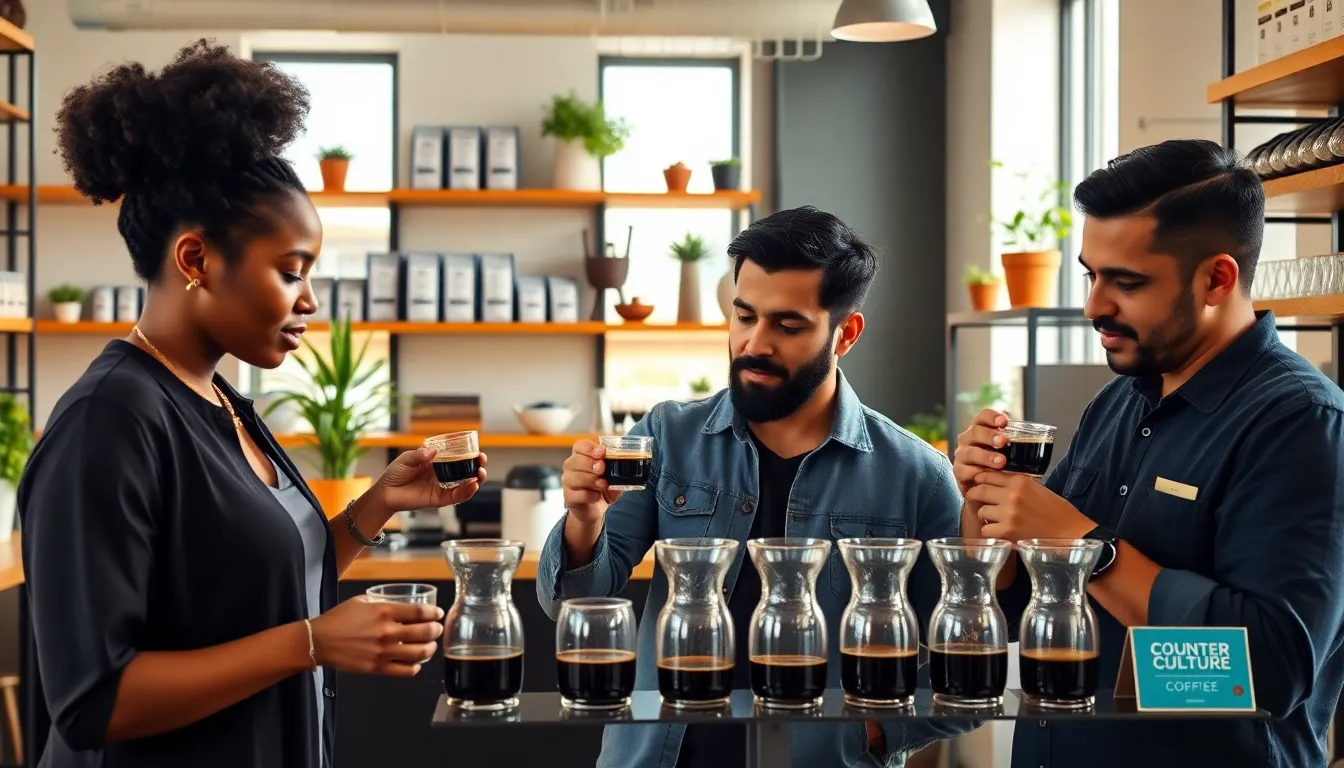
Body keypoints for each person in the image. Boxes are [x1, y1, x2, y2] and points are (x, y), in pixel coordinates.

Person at [19, 40, 487, 768]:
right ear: (196, 260)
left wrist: (376, 506)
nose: (309, 301)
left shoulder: (224, 400)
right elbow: (91, 701)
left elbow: (263, 579)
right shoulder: (108, 423)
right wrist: (311, 642)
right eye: (291, 270)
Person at [537, 206, 978, 768]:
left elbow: (968, 660)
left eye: (787, 326)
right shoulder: (666, 437)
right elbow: (570, 599)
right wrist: (584, 517)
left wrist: (873, 732)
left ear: (846, 334)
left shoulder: (916, 475)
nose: (755, 343)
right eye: (744, 317)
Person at [954, 139, 1344, 767]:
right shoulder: (1115, 403)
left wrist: (1088, 548)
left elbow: (1267, 673)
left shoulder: (1302, 423)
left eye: (1126, 283)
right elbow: (1018, 603)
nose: (1094, 306)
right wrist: (985, 505)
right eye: (1091, 274)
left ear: (1217, 278)